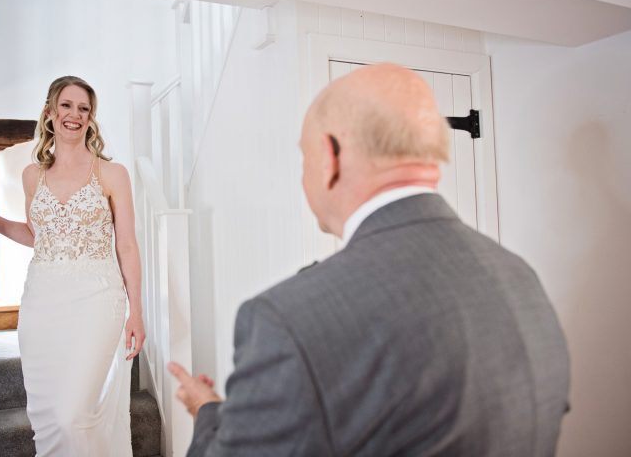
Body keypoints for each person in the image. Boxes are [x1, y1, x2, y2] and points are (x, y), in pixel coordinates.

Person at [168, 63, 570, 456]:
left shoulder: (287, 320)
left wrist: (207, 412)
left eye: (303, 158)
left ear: (328, 158)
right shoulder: (518, 275)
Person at [0, 75, 144, 456]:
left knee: (73, 415)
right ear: (50, 112)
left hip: (98, 300)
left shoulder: (113, 174)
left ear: (91, 117)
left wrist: (137, 311)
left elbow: (128, 245)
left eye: (84, 108)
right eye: (66, 105)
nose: (75, 115)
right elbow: (39, 236)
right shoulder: (32, 175)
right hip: (41, 304)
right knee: (50, 417)